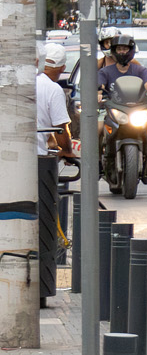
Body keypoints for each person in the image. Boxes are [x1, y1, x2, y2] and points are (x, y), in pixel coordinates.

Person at [36, 44, 71, 308]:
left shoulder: (27, 83)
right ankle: (40, 285)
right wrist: (67, 151)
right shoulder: (53, 89)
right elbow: (61, 129)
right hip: (40, 165)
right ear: (59, 69)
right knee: (43, 217)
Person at [97, 34, 147, 183]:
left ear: (131, 50)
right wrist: (98, 94)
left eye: (125, 49)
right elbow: (99, 87)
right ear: (113, 50)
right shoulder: (105, 71)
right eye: (119, 49)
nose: (122, 52)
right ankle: (97, 161)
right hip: (112, 110)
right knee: (97, 127)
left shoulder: (140, 70)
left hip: (137, 111)